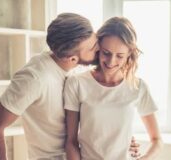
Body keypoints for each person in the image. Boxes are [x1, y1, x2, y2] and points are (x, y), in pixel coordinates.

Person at [0, 13, 140, 160]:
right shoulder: (34, 78)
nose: (99, 48)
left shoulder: (72, 65)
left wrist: (118, 138)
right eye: (93, 48)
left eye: (95, 39)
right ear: (72, 59)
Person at [64, 17, 163, 160]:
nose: (111, 62)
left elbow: (157, 140)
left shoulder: (138, 87)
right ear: (98, 48)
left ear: (129, 53)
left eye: (120, 56)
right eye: (106, 53)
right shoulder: (76, 83)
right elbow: (71, 142)